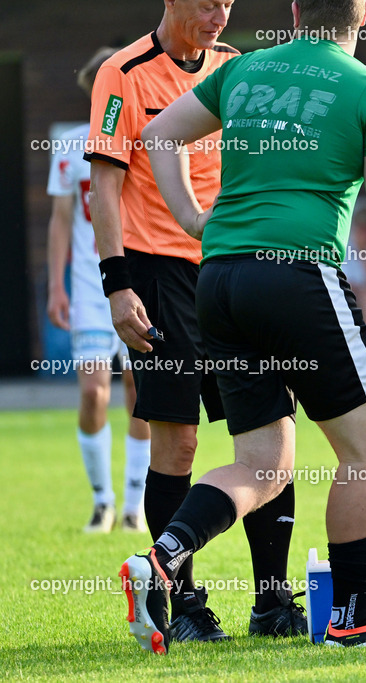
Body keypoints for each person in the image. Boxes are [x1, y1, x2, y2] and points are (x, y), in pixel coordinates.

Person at [123, 0, 366, 652]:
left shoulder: (245, 70)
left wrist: (195, 220)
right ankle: (351, 616)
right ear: (362, 13)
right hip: (298, 274)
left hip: (219, 279)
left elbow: (159, 134)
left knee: (263, 463)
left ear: (294, 9)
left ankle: (162, 557)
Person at [84, 0, 302, 641]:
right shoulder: (123, 73)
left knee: (270, 441)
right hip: (159, 276)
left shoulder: (237, 68)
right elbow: (101, 187)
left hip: (236, 271)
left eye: (229, 4)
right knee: (177, 442)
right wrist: (117, 287)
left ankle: (272, 602)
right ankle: (185, 607)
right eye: (208, 3)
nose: (220, 16)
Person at [46, 47, 151, 534]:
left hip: (138, 281)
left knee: (138, 391)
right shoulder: (69, 146)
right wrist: (57, 285)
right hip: (90, 289)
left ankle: (133, 504)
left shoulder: (143, 137)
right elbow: (61, 220)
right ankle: (101, 500)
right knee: (93, 392)